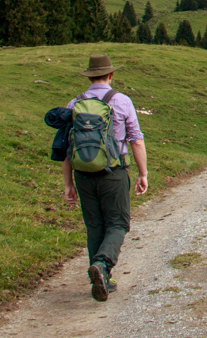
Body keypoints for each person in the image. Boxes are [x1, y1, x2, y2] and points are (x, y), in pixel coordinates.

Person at [61, 54, 149, 302]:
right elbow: (136, 139)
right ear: (111, 75)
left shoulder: (74, 104)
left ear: (89, 77)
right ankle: (101, 265)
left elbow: (67, 148)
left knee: (95, 226)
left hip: (82, 175)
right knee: (118, 223)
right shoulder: (121, 101)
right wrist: (143, 174)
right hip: (114, 172)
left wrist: (68, 184)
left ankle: (102, 279)